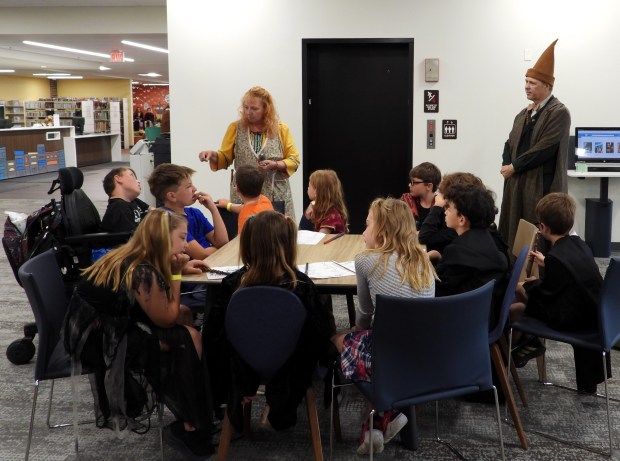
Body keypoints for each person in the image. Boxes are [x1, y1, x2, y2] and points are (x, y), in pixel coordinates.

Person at [61, 209, 214, 460]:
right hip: (97, 340)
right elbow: (167, 318)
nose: (185, 243)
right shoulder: (141, 272)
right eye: (182, 237)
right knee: (189, 337)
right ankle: (190, 421)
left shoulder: (134, 253)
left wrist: (180, 265)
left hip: (94, 324)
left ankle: (195, 409)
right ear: (163, 240)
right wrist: (176, 273)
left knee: (186, 316)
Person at [208, 211, 335, 432]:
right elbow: (321, 339)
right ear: (289, 245)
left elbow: (214, 335)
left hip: (242, 368)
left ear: (247, 244)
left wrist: (237, 377)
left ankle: (249, 393)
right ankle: (278, 398)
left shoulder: (231, 285)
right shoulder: (302, 287)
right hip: (291, 370)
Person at [331, 198, 437, 455]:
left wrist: (356, 331)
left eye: (367, 225)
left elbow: (365, 314)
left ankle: (385, 410)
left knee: (339, 339)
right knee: (373, 344)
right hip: (428, 354)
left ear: (382, 231)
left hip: (389, 354)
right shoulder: (423, 259)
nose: (363, 230)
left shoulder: (366, 261)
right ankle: (377, 424)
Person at [509, 193, 607, 392]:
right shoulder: (581, 245)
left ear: (543, 228)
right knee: (530, 287)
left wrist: (528, 286)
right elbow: (569, 271)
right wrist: (546, 264)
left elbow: (547, 295)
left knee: (521, 295)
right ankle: (527, 341)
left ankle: (524, 344)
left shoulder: (556, 258)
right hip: (596, 314)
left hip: (572, 319)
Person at [499, 39, 571, 251]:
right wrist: (506, 164)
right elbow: (509, 142)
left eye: (532, 83)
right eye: (526, 81)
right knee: (513, 228)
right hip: (517, 181)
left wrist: (514, 167)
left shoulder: (558, 112)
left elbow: (545, 149)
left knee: (536, 230)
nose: (526, 86)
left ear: (547, 86)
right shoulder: (524, 113)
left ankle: (534, 275)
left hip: (541, 184)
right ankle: (514, 270)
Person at [198, 86, 300, 220]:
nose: (248, 112)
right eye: (245, 107)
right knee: (246, 232)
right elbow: (224, 158)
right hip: (244, 194)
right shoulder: (235, 128)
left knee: (275, 233)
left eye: (254, 108)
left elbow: (294, 160)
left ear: (266, 109)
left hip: (275, 194)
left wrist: (275, 164)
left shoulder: (281, 129)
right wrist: (213, 155)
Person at [434, 183, 509, 298]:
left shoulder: (457, 250)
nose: (445, 211)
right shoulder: (487, 237)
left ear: (462, 219)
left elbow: (438, 289)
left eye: (449, 207)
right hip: (483, 310)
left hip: (458, 312)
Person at [148, 163, 228, 260]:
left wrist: (213, 209)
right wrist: (217, 249)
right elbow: (202, 255)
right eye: (189, 186)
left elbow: (223, 242)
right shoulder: (168, 219)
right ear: (172, 196)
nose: (195, 189)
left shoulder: (194, 213)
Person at [216, 164, 273, 234]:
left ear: (237, 189)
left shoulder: (245, 217)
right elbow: (248, 208)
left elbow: (243, 242)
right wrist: (228, 205)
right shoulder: (264, 200)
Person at [100, 167, 151, 233]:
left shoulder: (133, 201)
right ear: (118, 178)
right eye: (132, 175)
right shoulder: (119, 208)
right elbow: (132, 239)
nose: (138, 181)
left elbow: (153, 210)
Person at [304, 169, 348, 234]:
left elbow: (321, 237)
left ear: (317, 192)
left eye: (309, 186)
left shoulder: (331, 215)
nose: (307, 188)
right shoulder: (316, 209)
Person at [399, 162, 441, 230]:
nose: (409, 185)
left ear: (428, 186)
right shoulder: (406, 200)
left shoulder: (441, 205)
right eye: (410, 181)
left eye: (413, 182)